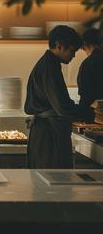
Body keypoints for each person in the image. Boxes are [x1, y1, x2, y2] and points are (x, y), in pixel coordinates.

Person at [25, 25, 93, 169]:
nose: (74, 55)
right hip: (49, 135)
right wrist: (90, 114)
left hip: (45, 131)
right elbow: (63, 108)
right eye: (72, 51)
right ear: (59, 45)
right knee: (53, 185)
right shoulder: (49, 67)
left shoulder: (49, 64)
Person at [77, 28, 103, 109]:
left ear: (85, 44)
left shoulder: (88, 64)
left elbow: (85, 97)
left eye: (84, 49)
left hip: (96, 114)